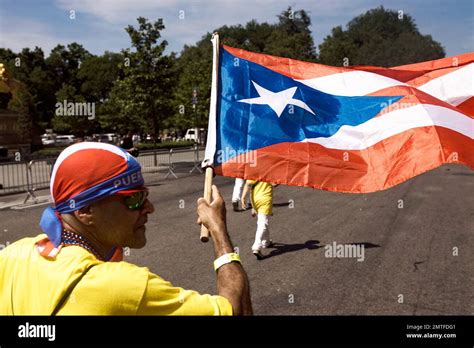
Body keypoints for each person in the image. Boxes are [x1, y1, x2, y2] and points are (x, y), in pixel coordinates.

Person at [0, 142, 252, 315]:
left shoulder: (15, 254)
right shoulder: (124, 285)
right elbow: (235, 309)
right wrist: (218, 229)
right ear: (84, 211)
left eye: (145, 195)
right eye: (133, 199)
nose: (149, 207)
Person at [241, 179, 274, 260]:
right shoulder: (270, 169)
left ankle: (266, 242)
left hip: (255, 199)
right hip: (265, 198)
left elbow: (248, 183)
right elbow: (274, 183)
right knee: (263, 223)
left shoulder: (255, 170)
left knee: (263, 221)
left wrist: (243, 197)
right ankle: (256, 246)